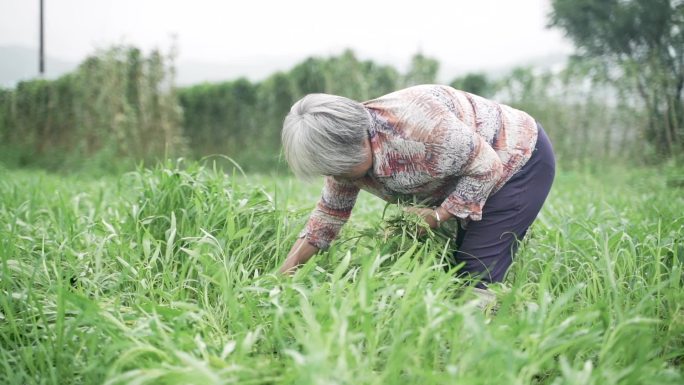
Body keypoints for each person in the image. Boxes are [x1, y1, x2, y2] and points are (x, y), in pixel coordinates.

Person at [278, 84, 555, 288]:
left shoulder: (421, 130)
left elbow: (487, 166)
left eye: (337, 168)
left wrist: (438, 216)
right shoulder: (346, 158)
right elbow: (328, 216)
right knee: (445, 268)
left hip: (517, 161)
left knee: (475, 273)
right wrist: (283, 274)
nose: (336, 177)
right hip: (464, 171)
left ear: (355, 145)